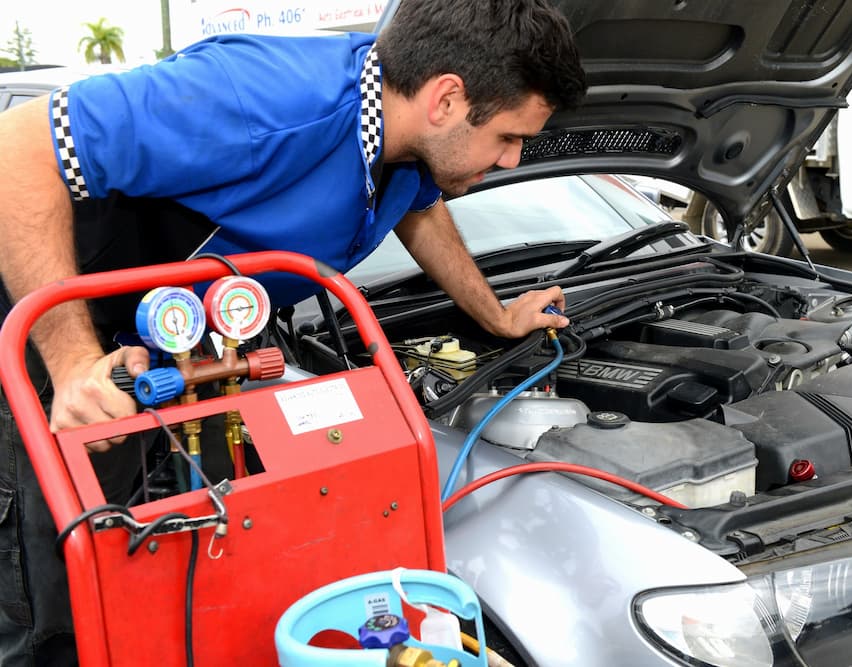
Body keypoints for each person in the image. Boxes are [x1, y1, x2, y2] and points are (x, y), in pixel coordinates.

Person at [0, 0, 587, 662]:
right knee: (52, 584)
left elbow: (418, 212)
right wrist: (73, 358)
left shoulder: (408, 144)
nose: (512, 160)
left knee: (204, 550)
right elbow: (17, 149)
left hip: (200, 341)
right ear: (447, 99)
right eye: (510, 138)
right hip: (56, 328)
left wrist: (497, 314)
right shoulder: (259, 97)